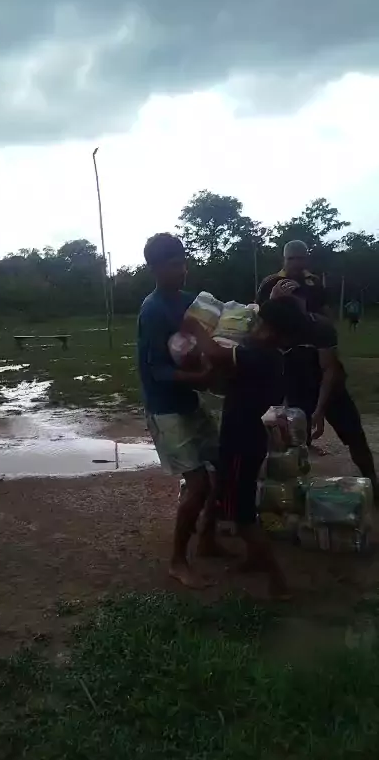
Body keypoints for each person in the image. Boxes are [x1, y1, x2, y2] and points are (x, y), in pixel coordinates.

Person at [183, 297, 309, 599]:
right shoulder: (270, 356)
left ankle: (278, 583)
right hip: (248, 442)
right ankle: (251, 558)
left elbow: (216, 353)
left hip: (240, 443)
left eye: (260, 324)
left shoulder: (259, 356)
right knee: (238, 497)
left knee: (241, 517)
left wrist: (196, 328)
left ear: (273, 332)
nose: (255, 328)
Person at [138, 232, 225, 589]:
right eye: (174, 265)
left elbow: (219, 325)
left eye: (183, 263)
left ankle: (207, 538)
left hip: (189, 400)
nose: (182, 270)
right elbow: (157, 370)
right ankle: (178, 560)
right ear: (155, 269)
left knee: (222, 468)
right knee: (198, 484)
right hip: (166, 409)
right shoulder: (153, 310)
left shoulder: (191, 302)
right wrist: (200, 377)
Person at [270, 282, 379, 502]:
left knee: (355, 437)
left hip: (332, 390)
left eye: (298, 302)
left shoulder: (319, 326)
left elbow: (329, 371)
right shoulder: (276, 328)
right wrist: (271, 299)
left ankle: (373, 484)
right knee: (290, 444)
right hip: (298, 389)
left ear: (304, 303)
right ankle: (289, 495)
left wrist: (319, 411)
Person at [257, 240, 328, 315]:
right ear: (283, 260)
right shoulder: (269, 282)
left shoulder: (315, 282)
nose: (295, 263)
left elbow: (325, 313)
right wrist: (272, 301)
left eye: (300, 258)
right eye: (290, 259)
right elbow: (258, 313)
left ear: (307, 259)